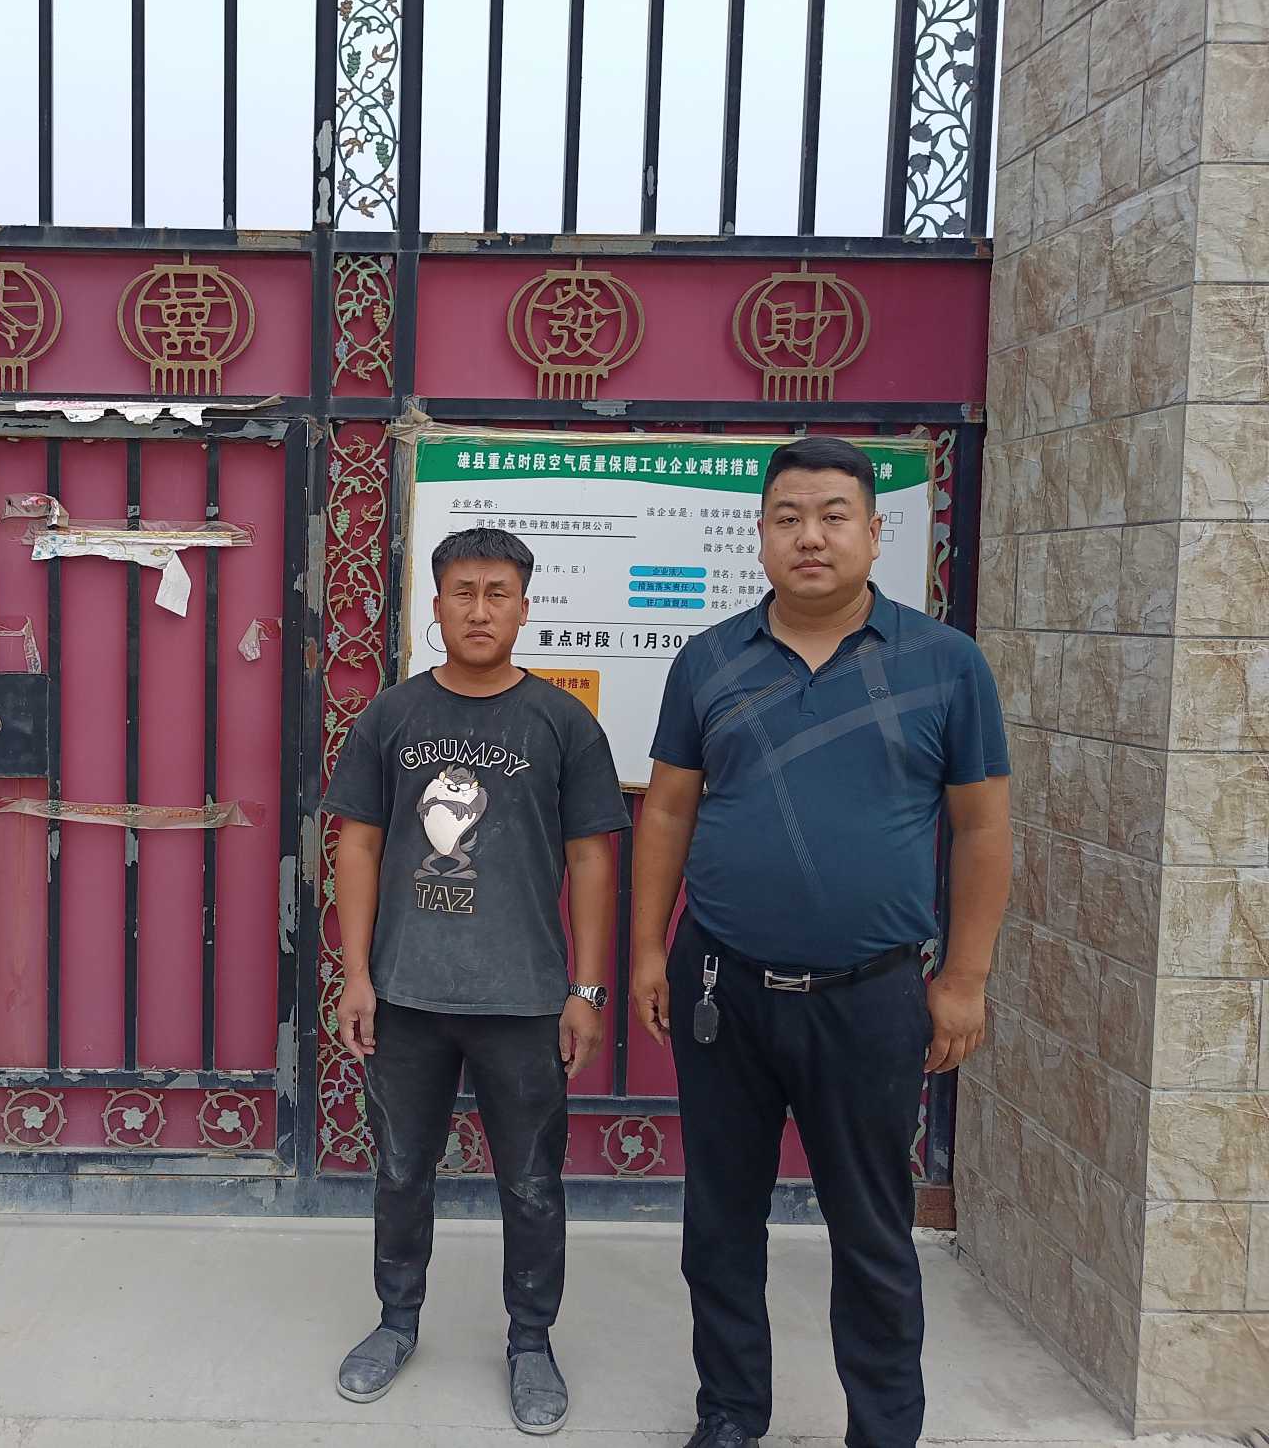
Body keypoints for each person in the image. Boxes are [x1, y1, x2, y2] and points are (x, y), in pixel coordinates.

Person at [628, 437, 1012, 1448]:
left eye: (833, 516)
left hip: (872, 995)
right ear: (759, 534)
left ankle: (882, 1428)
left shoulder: (944, 663)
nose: (810, 536)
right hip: (721, 985)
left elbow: (981, 828)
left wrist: (965, 976)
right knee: (720, 1222)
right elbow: (667, 811)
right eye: (788, 517)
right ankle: (729, 1413)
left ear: (874, 533)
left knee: (872, 1228)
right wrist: (645, 951)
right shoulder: (709, 660)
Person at [322, 526, 630, 1436]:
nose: (481, 609)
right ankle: (396, 1321)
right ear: (437, 605)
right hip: (407, 994)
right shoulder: (392, 716)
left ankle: (531, 1341)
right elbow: (358, 845)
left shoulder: (562, 723)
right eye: (464, 592)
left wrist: (587, 990)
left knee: (531, 1182)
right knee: (400, 1170)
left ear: (525, 607)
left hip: (523, 999)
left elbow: (593, 860)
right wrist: (356, 975)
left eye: (499, 593)